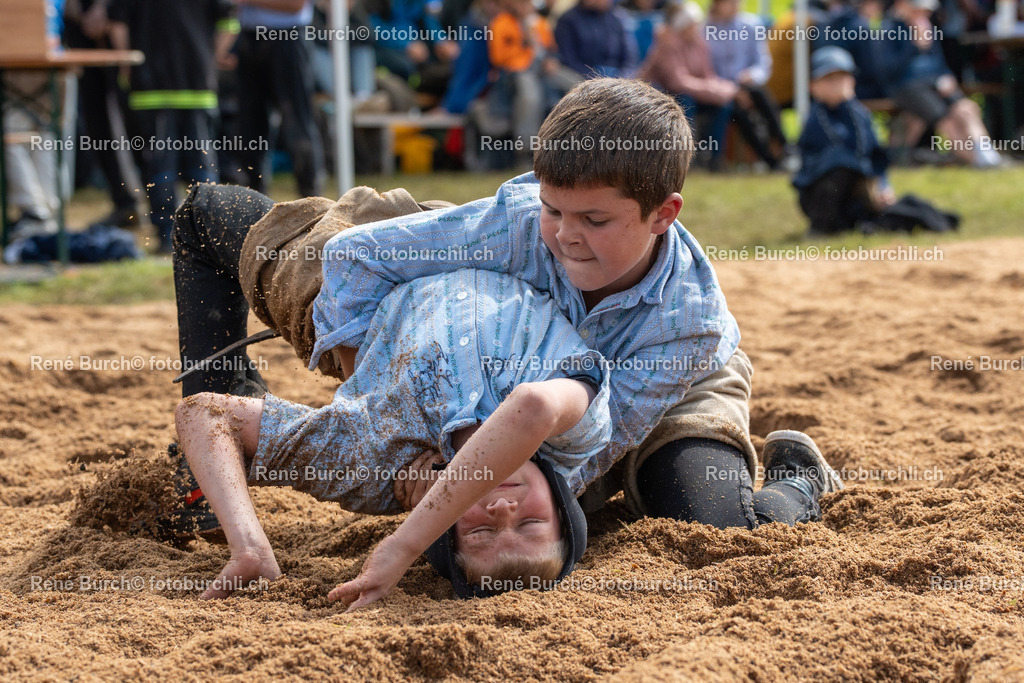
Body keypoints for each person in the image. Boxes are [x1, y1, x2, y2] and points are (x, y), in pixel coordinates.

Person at [167, 78, 842, 608]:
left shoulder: (686, 321)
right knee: (242, 231)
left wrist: (429, 487)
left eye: (596, 219)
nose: (569, 233)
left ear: (665, 214)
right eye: (556, 209)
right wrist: (376, 384)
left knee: (716, 526)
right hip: (475, 314)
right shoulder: (522, 223)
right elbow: (362, 258)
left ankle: (797, 482)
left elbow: (581, 458)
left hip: (658, 383)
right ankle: (234, 404)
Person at [175, 265, 612, 599]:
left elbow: (205, 414)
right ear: (561, 504)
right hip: (491, 241)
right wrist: (404, 545)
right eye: (531, 521)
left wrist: (248, 546)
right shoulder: (578, 435)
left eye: (480, 533)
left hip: (366, 270)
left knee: (206, 211)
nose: (501, 508)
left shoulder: (378, 466)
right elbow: (531, 407)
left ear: (447, 532)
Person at [107, 0, 238, 253]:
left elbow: (117, 24)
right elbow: (230, 21)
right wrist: (212, 58)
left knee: (159, 164)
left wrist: (126, 67)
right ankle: (209, 237)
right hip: (196, 83)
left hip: (149, 87)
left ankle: (166, 235)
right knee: (203, 166)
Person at [793, 47, 960, 235]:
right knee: (840, 163)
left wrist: (882, 186)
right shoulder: (816, 117)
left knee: (898, 208)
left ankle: (938, 221)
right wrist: (867, 175)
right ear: (813, 86)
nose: (837, 85)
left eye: (842, 78)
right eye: (829, 80)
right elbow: (840, 154)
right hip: (821, 198)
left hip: (856, 193)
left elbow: (875, 154)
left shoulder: (860, 114)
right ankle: (821, 228)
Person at [881, 0, 1006, 167]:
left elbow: (939, 62)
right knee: (945, 119)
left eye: (926, 11)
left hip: (935, 84)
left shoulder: (928, 27)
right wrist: (914, 44)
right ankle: (977, 162)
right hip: (907, 87)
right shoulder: (889, 28)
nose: (924, 15)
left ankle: (989, 156)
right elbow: (887, 71)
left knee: (966, 109)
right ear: (903, 6)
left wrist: (947, 77)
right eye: (919, 11)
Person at [233, 0, 325, 198]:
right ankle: (253, 203)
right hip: (249, 38)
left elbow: (295, 4)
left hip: (288, 38)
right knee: (250, 126)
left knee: (297, 123)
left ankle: (312, 201)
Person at [638, 1, 736, 170]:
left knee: (724, 106)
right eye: (693, 24)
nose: (697, 28)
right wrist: (713, 91)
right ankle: (687, 157)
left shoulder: (700, 44)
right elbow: (678, 81)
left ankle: (714, 157)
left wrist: (722, 90)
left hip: (692, 93)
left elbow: (708, 76)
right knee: (685, 102)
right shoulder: (668, 44)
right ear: (683, 26)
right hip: (665, 94)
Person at [704, 0, 790, 169]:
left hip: (747, 85)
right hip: (720, 89)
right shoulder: (704, 30)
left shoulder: (750, 25)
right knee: (738, 111)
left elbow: (762, 63)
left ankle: (784, 144)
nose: (736, 5)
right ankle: (768, 159)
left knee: (759, 94)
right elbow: (706, 71)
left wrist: (751, 76)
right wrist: (732, 90)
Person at [554, 0, 638, 78]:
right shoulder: (568, 20)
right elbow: (569, 59)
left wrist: (622, 78)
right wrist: (594, 79)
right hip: (583, 77)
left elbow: (629, 56)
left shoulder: (616, 17)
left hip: (617, 75)